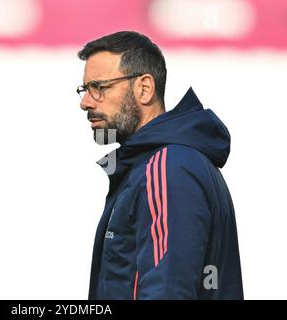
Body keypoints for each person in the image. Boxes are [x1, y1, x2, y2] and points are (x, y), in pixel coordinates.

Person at [77, 31, 243, 299]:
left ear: (144, 88)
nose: (85, 102)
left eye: (99, 87)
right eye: (85, 89)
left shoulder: (168, 167)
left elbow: (167, 292)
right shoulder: (160, 163)